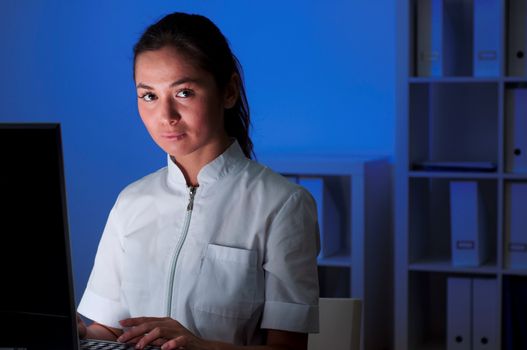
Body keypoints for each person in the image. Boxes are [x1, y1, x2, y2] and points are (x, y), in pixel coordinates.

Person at [77, 12, 320, 350]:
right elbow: (112, 331)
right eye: (149, 96)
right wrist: (81, 335)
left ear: (229, 91)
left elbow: (289, 348)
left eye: (184, 92)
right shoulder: (130, 202)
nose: (165, 116)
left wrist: (199, 346)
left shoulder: (283, 205)